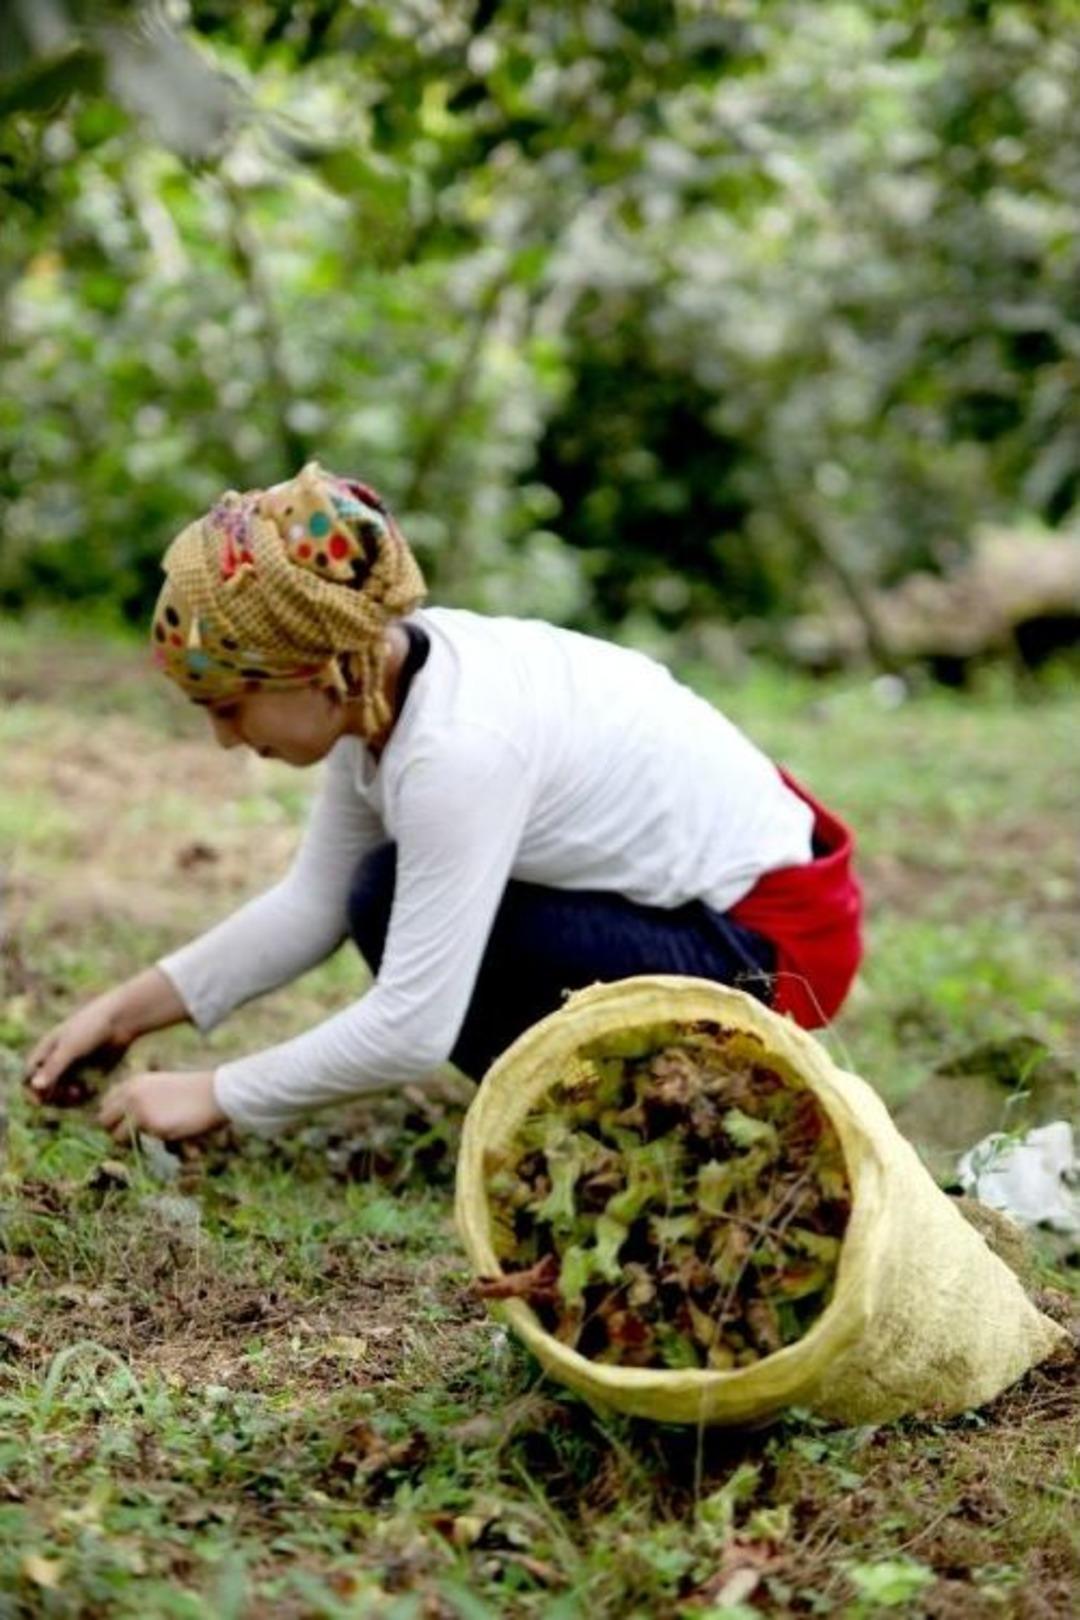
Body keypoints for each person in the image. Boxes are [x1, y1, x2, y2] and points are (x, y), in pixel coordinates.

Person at [24, 461, 863, 1143]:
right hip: (701, 915)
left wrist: (218, 1092)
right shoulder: (384, 686)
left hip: (766, 955)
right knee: (370, 894)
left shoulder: (458, 744)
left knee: (386, 899)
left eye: (231, 707)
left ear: (314, 670)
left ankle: (629, 1116)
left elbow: (412, 1027)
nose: (225, 739)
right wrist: (125, 1012)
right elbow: (311, 905)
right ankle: (592, 1098)